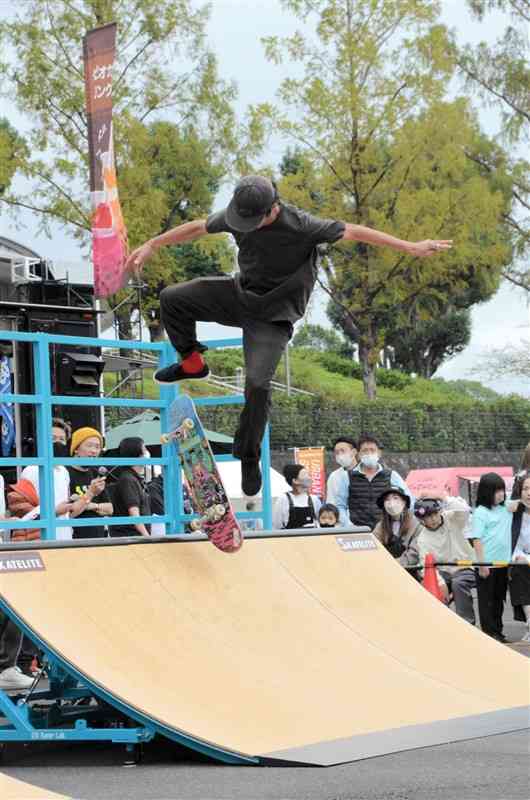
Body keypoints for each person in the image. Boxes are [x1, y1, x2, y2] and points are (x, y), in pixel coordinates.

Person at [125, 174, 451, 496]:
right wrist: (153, 243)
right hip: (241, 295)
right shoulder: (239, 216)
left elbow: (353, 231)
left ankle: (249, 455)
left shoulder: (303, 225)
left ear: (273, 209)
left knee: (257, 384)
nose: (246, 227)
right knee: (172, 298)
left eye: (254, 222)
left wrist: (409, 246)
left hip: (274, 317)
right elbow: (197, 226)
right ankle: (193, 363)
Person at [414, 493, 477, 623]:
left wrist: (443, 497)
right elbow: (425, 564)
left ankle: (467, 623)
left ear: (439, 511)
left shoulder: (453, 519)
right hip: (443, 572)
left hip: (464, 566)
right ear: (422, 520)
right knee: (431, 586)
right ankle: (441, 623)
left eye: (433, 514)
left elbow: (464, 509)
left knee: (458, 583)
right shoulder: (422, 538)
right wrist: (440, 583)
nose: (431, 519)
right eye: (426, 517)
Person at [471, 472, 519, 642]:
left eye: (502, 490)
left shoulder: (505, 507)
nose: (501, 494)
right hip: (486, 565)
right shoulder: (480, 513)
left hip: (502, 564)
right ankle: (488, 635)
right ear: (486, 492)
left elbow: (522, 503)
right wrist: (482, 564)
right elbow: (476, 539)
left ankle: (498, 632)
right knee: (486, 601)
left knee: (499, 600)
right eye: (496, 491)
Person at [335, 433, 413, 530]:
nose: (369, 453)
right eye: (365, 451)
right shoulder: (347, 477)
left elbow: (410, 500)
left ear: (379, 453)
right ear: (358, 454)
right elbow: (340, 505)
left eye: (372, 450)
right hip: (358, 532)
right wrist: (349, 526)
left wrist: (400, 521)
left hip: (386, 531)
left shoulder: (392, 475)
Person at [19, 418, 73, 539]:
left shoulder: (64, 471)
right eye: (52, 439)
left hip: (65, 538)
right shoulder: (31, 470)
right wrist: (54, 511)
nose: (58, 443)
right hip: (40, 539)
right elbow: (23, 512)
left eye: (62, 439)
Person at [68, 427, 112, 539]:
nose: (94, 451)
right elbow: (70, 513)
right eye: (89, 445)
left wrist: (90, 505)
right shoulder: (64, 473)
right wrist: (91, 493)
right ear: (76, 449)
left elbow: (110, 509)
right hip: (73, 539)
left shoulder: (95, 473)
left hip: (99, 538)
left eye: (97, 447)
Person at [373, 487, 422, 577]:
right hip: (384, 570)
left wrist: (393, 565)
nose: (391, 503)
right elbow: (374, 546)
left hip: (409, 571)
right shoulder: (380, 526)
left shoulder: (416, 524)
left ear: (404, 502)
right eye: (387, 499)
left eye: (395, 498)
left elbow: (414, 553)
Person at [110, 437, 151, 537]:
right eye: (144, 449)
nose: (147, 453)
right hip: (130, 537)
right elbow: (134, 512)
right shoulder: (128, 479)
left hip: (135, 535)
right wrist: (147, 536)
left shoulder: (134, 478)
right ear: (136, 453)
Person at [508, 471, 530, 643]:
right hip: (521, 561)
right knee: (518, 571)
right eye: (525, 489)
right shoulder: (516, 514)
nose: (529, 493)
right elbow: (516, 545)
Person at [273, 464, 322, 530]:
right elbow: (277, 526)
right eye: (305, 475)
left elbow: (320, 522)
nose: (309, 478)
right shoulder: (283, 499)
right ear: (295, 481)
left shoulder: (314, 499)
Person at [326, 436, 357, 527]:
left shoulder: (365, 472)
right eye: (337, 452)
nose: (339, 455)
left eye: (342, 451)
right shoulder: (334, 476)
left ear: (354, 452)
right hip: (341, 526)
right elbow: (331, 503)